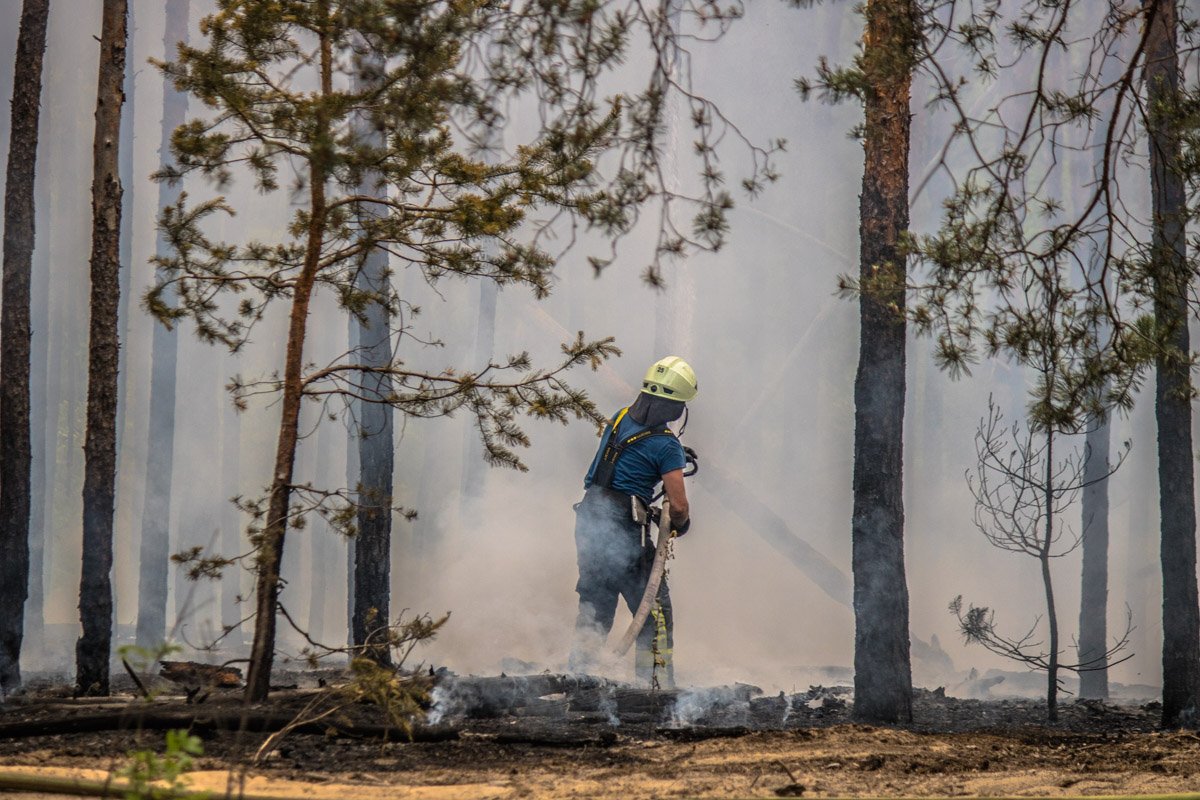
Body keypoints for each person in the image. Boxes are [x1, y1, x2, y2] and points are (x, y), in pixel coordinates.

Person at [568, 356, 697, 687]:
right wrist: (680, 524)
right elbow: (678, 506)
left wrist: (673, 456)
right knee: (654, 613)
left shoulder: (620, 417)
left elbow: (627, 461)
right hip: (624, 531)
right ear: (675, 406)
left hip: (589, 519)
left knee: (595, 608)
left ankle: (578, 681)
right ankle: (654, 686)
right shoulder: (666, 446)